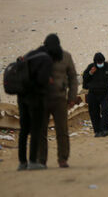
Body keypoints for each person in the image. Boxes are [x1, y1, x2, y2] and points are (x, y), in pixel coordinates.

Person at [17, 36, 58, 171]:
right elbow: (41, 79)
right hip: (35, 98)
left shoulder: (30, 55)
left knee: (24, 130)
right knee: (36, 128)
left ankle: (22, 162)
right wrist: (49, 81)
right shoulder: (46, 59)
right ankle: (33, 161)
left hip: (21, 96)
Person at [38, 34, 78, 169]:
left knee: (62, 130)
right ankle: (41, 160)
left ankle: (63, 158)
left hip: (60, 99)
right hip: (42, 99)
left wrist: (72, 97)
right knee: (41, 131)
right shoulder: (39, 57)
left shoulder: (66, 57)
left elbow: (73, 78)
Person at [82, 53, 108, 137]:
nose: (100, 64)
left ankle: (105, 129)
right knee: (94, 112)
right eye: (98, 62)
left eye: (101, 62)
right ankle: (97, 131)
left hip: (105, 93)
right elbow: (85, 79)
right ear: (95, 62)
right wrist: (90, 73)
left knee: (105, 110)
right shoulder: (91, 67)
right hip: (93, 93)